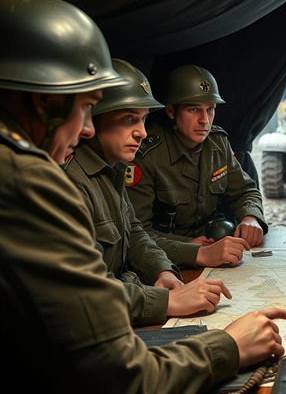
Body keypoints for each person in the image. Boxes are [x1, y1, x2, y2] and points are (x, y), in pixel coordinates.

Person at [0, 0, 286, 394]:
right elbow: (118, 391)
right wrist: (227, 345)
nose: (89, 129)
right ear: (42, 101)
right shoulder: (32, 180)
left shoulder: (115, 166)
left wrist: (166, 272)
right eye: (88, 107)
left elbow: (128, 236)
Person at [64, 58, 232, 325]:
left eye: (143, 119)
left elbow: (135, 234)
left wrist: (162, 270)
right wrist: (167, 301)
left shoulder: (112, 170)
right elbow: (85, 293)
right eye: (129, 119)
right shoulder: (70, 184)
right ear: (92, 119)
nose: (141, 132)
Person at [126, 64, 267, 268]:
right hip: (164, 260)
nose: (204, 120)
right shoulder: (145, 156)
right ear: (172, 111)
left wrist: (250, 217)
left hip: (215, 250)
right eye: (194, 109)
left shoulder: (218, 143)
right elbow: (136, 233)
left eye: (210, 109)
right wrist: (191, 248)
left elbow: (245, 190)